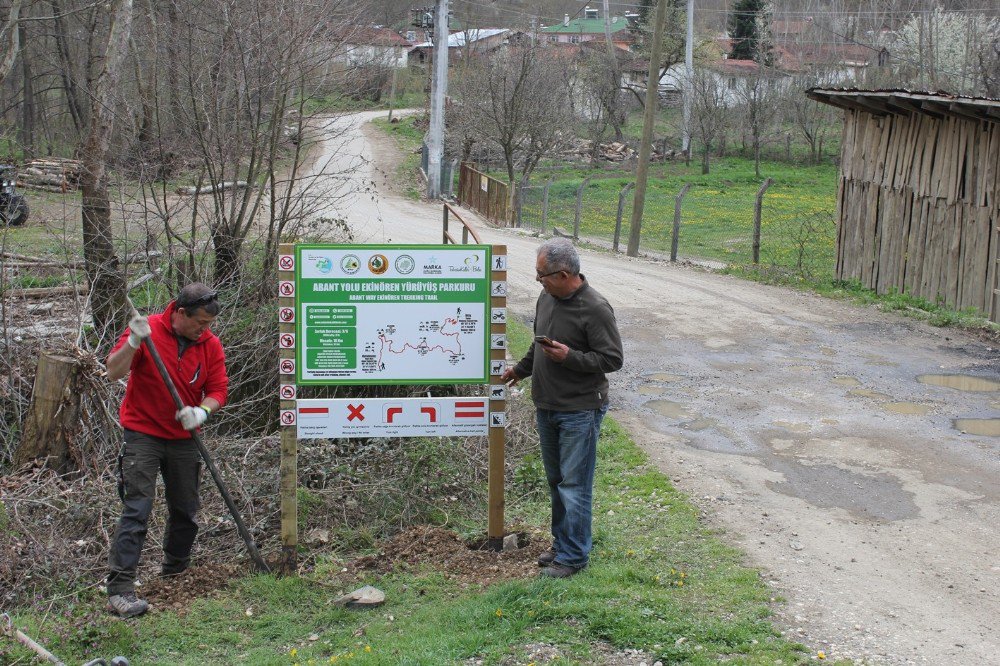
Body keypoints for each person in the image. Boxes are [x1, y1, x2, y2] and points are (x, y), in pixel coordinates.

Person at [501, 239, 623, 578]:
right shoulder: (547, 297)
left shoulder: (596, 308)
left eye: (542, 275)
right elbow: (539, 342)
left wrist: (570, 357)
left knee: (575, 484)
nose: (538, 281)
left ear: (564, 273)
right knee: (556, 481)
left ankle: (573, 557)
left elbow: (613, 359)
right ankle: (563, 543)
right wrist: (521, 370)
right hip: (547, 405)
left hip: (579, 410)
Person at [104, 283, 228, 617]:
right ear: (180, 313)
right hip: (142, 433)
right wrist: (133, 342)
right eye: (200, 322)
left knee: (186, 509)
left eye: (209, 324)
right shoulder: (149, 331)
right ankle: (120, 589)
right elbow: (113, 370)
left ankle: (175, 573)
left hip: (183, 438)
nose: (205, 329)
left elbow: (218, 389)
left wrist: (202, 411)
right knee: (137, 509)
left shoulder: (209, 344)